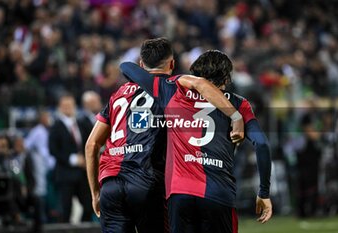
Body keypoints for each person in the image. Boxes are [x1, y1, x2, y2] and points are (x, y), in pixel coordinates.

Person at [85, 38, 244, 233]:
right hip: (148, 180)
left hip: (111, 184)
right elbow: (201, 86)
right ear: (172, 64)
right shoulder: (173, 89)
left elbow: (92, 144)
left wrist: (95, 193)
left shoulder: (119, 94)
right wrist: (235, 116)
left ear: (142, 64)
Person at [120, 49, 272, 233]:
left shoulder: (172, 91)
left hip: (179, 193)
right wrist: (263, 192)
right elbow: (262, 144)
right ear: (226, 78)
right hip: (219, 192)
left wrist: (185, 80)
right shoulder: (239, 104)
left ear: (196, 73)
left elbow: (126, 66)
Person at [48, 94, 92, 223]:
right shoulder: (56, 127)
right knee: (65, 210)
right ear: (59, 108)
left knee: (89, 206)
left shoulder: (81, 124)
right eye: (64, 105)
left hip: (82, 174)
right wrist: (72, 159)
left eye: (70, 105)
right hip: (65, 174)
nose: (68, 108)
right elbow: (53, 150)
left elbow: (88, 143)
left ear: (74, 106)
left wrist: (85, 159)